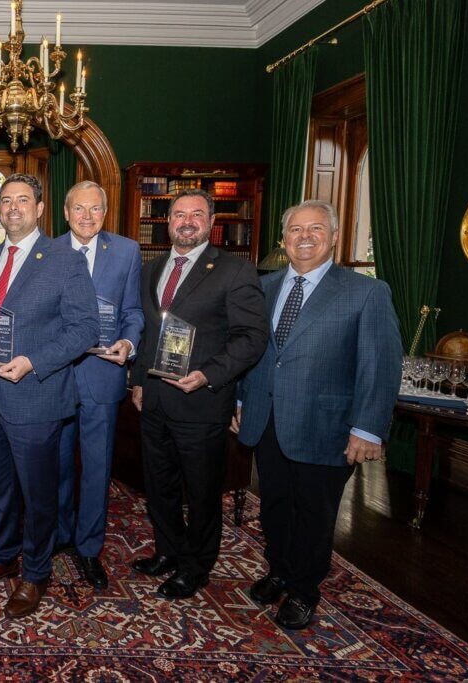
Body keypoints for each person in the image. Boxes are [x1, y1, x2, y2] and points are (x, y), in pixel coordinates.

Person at [232, 200, 401, 629]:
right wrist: (238, 399)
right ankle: (279, 570)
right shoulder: (262, 287)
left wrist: (367, 428)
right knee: (274, 504)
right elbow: (247, 351)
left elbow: (380, 365)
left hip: (326, 425)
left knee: (314, 512)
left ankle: (304, 591)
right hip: (266, 417)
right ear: (283, 239)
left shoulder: (366, 292)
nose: (304, 237)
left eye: (316, 229)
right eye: (295, 230)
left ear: (334, 236)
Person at [0, 173, 99, 618]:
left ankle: (35, 573)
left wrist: (33, 361)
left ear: (40, 208)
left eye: (22, 200)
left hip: (36, 396)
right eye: (5, 200)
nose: (13, 207)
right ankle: (3, 557)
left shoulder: (64, 259)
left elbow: (85, 330)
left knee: (38, 496)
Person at [129, 188, 268, 600]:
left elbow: (252, 337)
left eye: (196, 214)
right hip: (153, 400)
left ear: (210, 222)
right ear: (168, 221)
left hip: (201, 401)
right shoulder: (150, 269)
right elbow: (146, 331)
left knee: (203, 490)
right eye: (178, 214)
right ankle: (168, 552)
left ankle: (196, 566)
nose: (186, 221)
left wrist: (208, 375)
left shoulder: (233, 270)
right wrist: (137, 380)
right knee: (160, 486)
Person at [56, 181, 144, 589]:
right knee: (55, 464)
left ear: (104, 214)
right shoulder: (47, 252)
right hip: (54, 376)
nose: (87, 216)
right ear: (66, 212)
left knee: (96, 468)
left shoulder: (126, 252)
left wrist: (128, 342)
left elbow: (133, 311)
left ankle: (89, 549)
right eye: (79, 209)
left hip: (103, 375)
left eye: (95, 209)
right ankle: (58, 534)